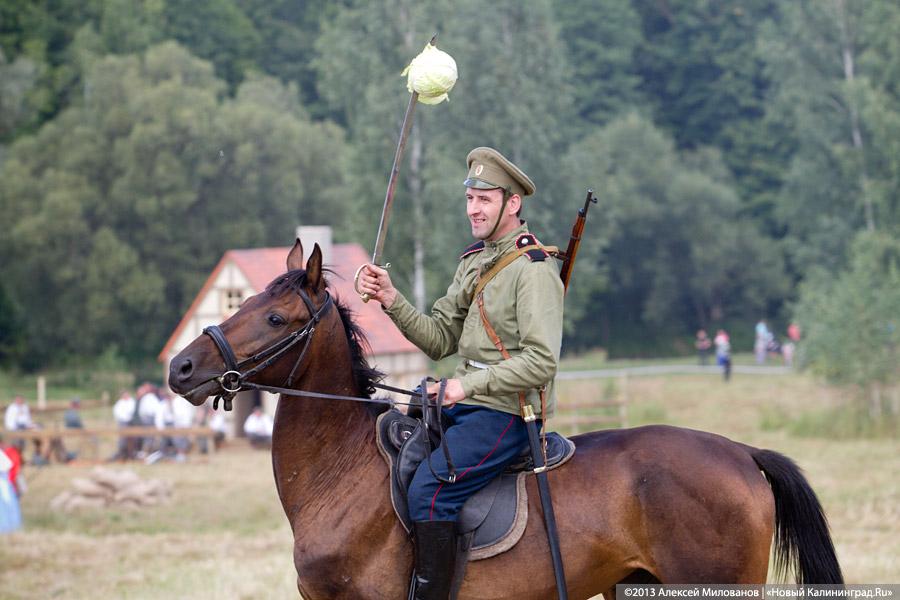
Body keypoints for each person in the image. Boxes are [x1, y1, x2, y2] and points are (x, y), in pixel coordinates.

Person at [357, 146, 564, 600]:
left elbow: (541, 361)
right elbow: (438, 339)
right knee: (396, 458)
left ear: (513, 204)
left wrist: (461, 386)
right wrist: (392, 299)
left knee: (431, 490)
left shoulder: (533, 270)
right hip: (466, 403)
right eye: (470, 199)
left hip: (508, 412)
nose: (474, 208)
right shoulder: (475, 260)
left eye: (485, 199)